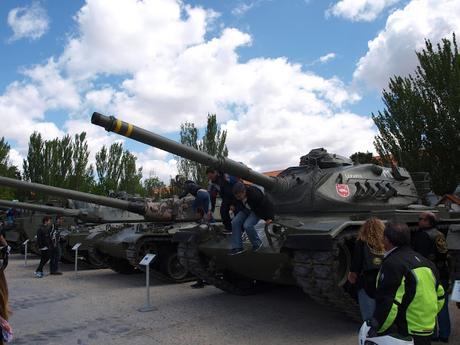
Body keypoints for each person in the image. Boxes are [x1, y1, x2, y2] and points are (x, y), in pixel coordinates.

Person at [369, 222, 445, 345]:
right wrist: (426, 317)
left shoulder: (392, 264)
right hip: (426, 329)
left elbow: (389, 303)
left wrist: (377, 328)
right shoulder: (427, 262)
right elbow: (440, 295)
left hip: (405, 331)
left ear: (387, 239)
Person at [412, 212, 451, 343]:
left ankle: (432, 333)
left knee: (429, 303)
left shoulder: (423, 235)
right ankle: (445, 334)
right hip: (442, 272)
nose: (418, 221)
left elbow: (419, 257)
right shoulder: (439, 234)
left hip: (429, 274)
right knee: (442, 304)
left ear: (428, 222)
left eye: (421, 219)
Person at [348, 218, 385, 321]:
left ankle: (370, 330)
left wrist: (352, 273)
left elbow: (357, 261)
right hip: (384, 276)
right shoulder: (386, 242)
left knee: (368, 311)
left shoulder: (362, 242)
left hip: (367, 279)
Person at [179, 180, 211, 289]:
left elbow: (184, 194)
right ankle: (204, 279)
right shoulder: (199, 189)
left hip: (203, 229)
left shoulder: (191, 188)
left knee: (198, 257)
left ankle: (201, 280)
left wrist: (179, 198)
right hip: (206, 223)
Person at [229, 182, 274, 255]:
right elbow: (234, 201)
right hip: (246, 209)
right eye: (237, 197)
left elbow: (266, 204)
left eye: (240, 196)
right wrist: (232, 205)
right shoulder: (236, 194)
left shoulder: (255, 193)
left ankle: (257, 244)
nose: (238, 198)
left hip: (257, 210)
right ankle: (238, 247)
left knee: (247, 225)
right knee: (235, 222)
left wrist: (269, 217)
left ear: (244, 192)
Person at [206, 168, 239, 233]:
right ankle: (229, 228)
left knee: (237, 211)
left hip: (235, 195)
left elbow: (231, 190)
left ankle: (241, 229)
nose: (211, 178)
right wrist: (211, 211)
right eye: (209, 177)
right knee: (223, 211)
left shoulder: (224, 177)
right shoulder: (212, 184)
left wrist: (233, 204)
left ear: (215, 173)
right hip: (225, 197)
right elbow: (212, 197)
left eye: (211, 176)